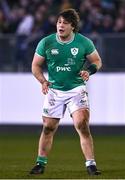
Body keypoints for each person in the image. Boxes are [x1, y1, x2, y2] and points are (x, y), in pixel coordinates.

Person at [30, 8, 102, 176]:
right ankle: (40, 164)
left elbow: (97, 61)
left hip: (76, 89)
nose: (60, 26)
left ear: (73, 27)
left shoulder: (84, 42)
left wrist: (89, 70)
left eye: (65, 23)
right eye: (59, 22)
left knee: (82, 124)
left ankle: (91, 165)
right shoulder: (46, 42)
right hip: (54, 90)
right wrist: (43, 81)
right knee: (48, 127)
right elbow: (35, 65)